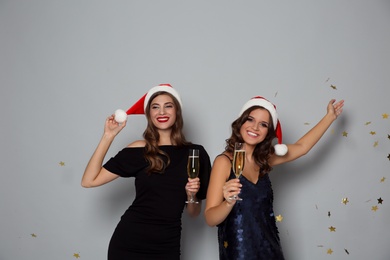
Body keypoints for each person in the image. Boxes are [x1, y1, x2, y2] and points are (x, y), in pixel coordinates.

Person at [204, 96, 344, 260]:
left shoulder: (264, 159)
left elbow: (302, 147)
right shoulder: (224, 162)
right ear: (240, 123)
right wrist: (228, 202)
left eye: (263, 124)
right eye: (250, 119)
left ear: (268, 132)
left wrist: (329, 117)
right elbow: (210, 218)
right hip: (239, 251)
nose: (255, 127)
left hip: (270, 248)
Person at [81, 84, 211, 260]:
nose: (161, 112)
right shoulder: (139, 149)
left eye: (168, 106)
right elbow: (89, 181)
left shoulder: (195, 154)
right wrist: (108, 136)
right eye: (155, 107)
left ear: (177, 112)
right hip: (129, 241)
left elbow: (194, 213)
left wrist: (191, 195)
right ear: (149, 114)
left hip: (167, 244)